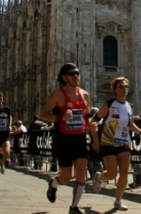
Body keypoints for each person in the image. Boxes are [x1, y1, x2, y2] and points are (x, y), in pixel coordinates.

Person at [91, 76, 141, 211]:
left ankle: (118, 200)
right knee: (112, 174)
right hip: (108, 142)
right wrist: (95, 133)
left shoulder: (129, 107)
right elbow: (94, 120)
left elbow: (130, 124)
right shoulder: (109, 104)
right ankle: (100, 177)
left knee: (124, 172)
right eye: (121, 86)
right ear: (115, 90)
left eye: (126, 87)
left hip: (123, 142)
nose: (124, 89)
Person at [41, 63, 92, 214]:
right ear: (64, 77)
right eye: (72, 74)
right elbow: (43, 114)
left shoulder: (85, 95)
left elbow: (87, 116)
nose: (76, 76)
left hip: (80, 138)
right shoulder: (58, 94)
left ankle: (74, 207)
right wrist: (60, 117)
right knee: (66, 177)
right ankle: (54, 183)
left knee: (82, 172)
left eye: (77, 73)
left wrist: (92, 128)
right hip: (63, 139)